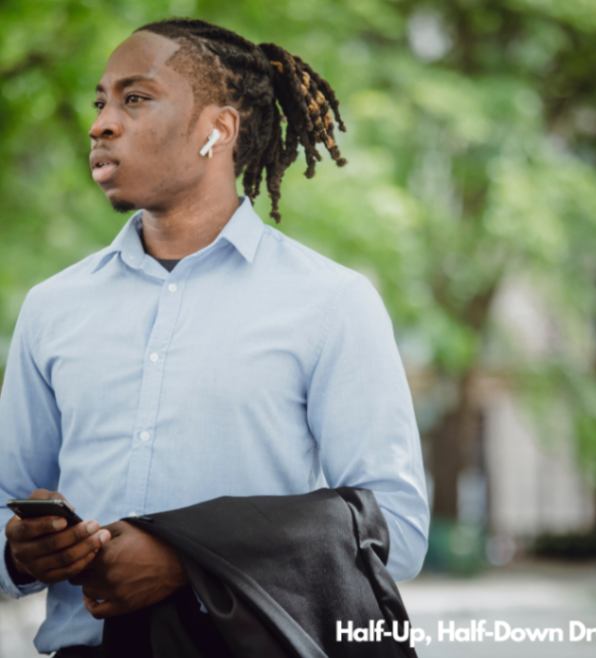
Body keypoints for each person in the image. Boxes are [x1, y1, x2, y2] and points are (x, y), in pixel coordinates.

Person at [0, 16, 429, 657]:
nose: (101, 124)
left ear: (217, 130)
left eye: (135, 98)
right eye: (101, 101)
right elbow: (7, 498)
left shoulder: (332, 302)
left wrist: (189, 562)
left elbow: (396, 528)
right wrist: (23, 552)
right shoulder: (52, 307)